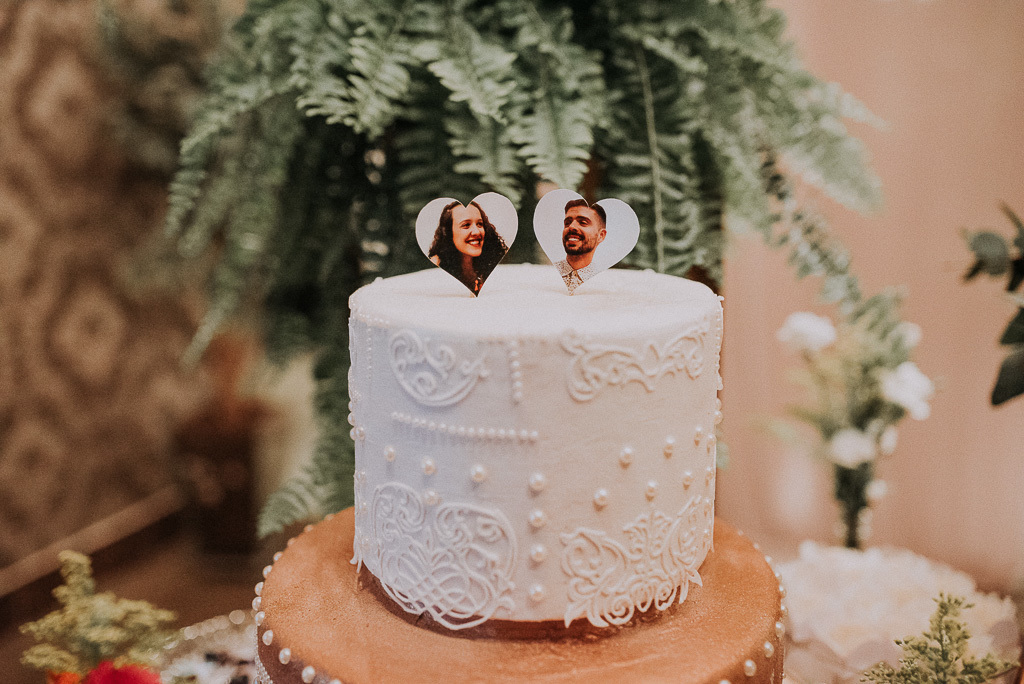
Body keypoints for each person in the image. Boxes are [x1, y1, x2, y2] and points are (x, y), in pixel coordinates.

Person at [428, 200, 508, 295]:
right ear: (449, 232)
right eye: (466, 225)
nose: (476, 232)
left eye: (480, 224)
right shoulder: (436, 264)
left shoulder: (497, 259)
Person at [555, 199, 607, 294]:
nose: (572, 226)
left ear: (601, 235)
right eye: (567, 223)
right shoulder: (547, 272)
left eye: (583, 222)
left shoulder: (605, 281)